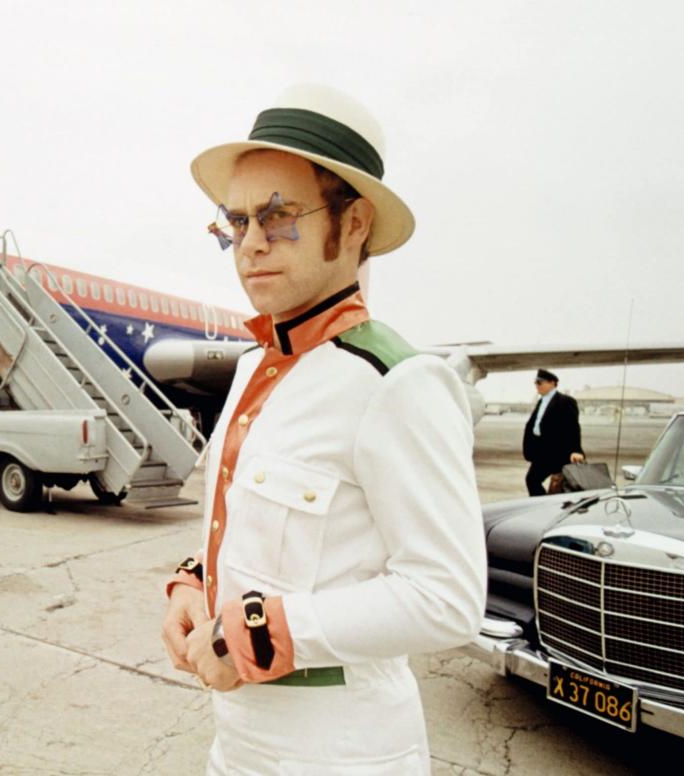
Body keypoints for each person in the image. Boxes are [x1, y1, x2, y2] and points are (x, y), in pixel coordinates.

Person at [160, 84, 486, 774]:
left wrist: (258, 634)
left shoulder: (396, 383)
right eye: (235, 222)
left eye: (278, 217)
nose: (250, 245)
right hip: (237, 744)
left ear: (356, 223)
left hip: (341, 753)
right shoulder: (253, 368)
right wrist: (194, 584)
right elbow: (244, 526)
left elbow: (447, 598)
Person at [522, 368, 585, 495]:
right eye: (535, 383)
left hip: (558, 452)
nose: (536, 386)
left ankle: (548, 506)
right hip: (542, 452)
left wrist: (576, 450)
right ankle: (543, 506)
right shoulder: (542, 401)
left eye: (540, 382)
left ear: (552, 383)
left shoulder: (566, 401)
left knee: (561, 485)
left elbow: (573, 427)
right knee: (532, 480)